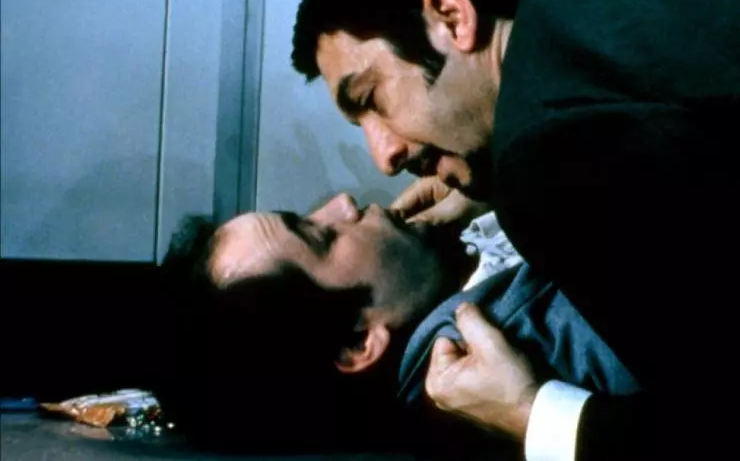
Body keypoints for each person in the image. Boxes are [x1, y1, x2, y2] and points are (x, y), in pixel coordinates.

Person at [290, 0, 740, 459]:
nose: (383, 157)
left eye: (372, 97)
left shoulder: (548, 162)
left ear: (451, 15)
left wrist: (533, 413)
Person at [154, 194, 640, 458]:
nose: (343, 204)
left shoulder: (470, 247)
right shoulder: (533, 337)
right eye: (321, 235)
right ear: (358, 344)